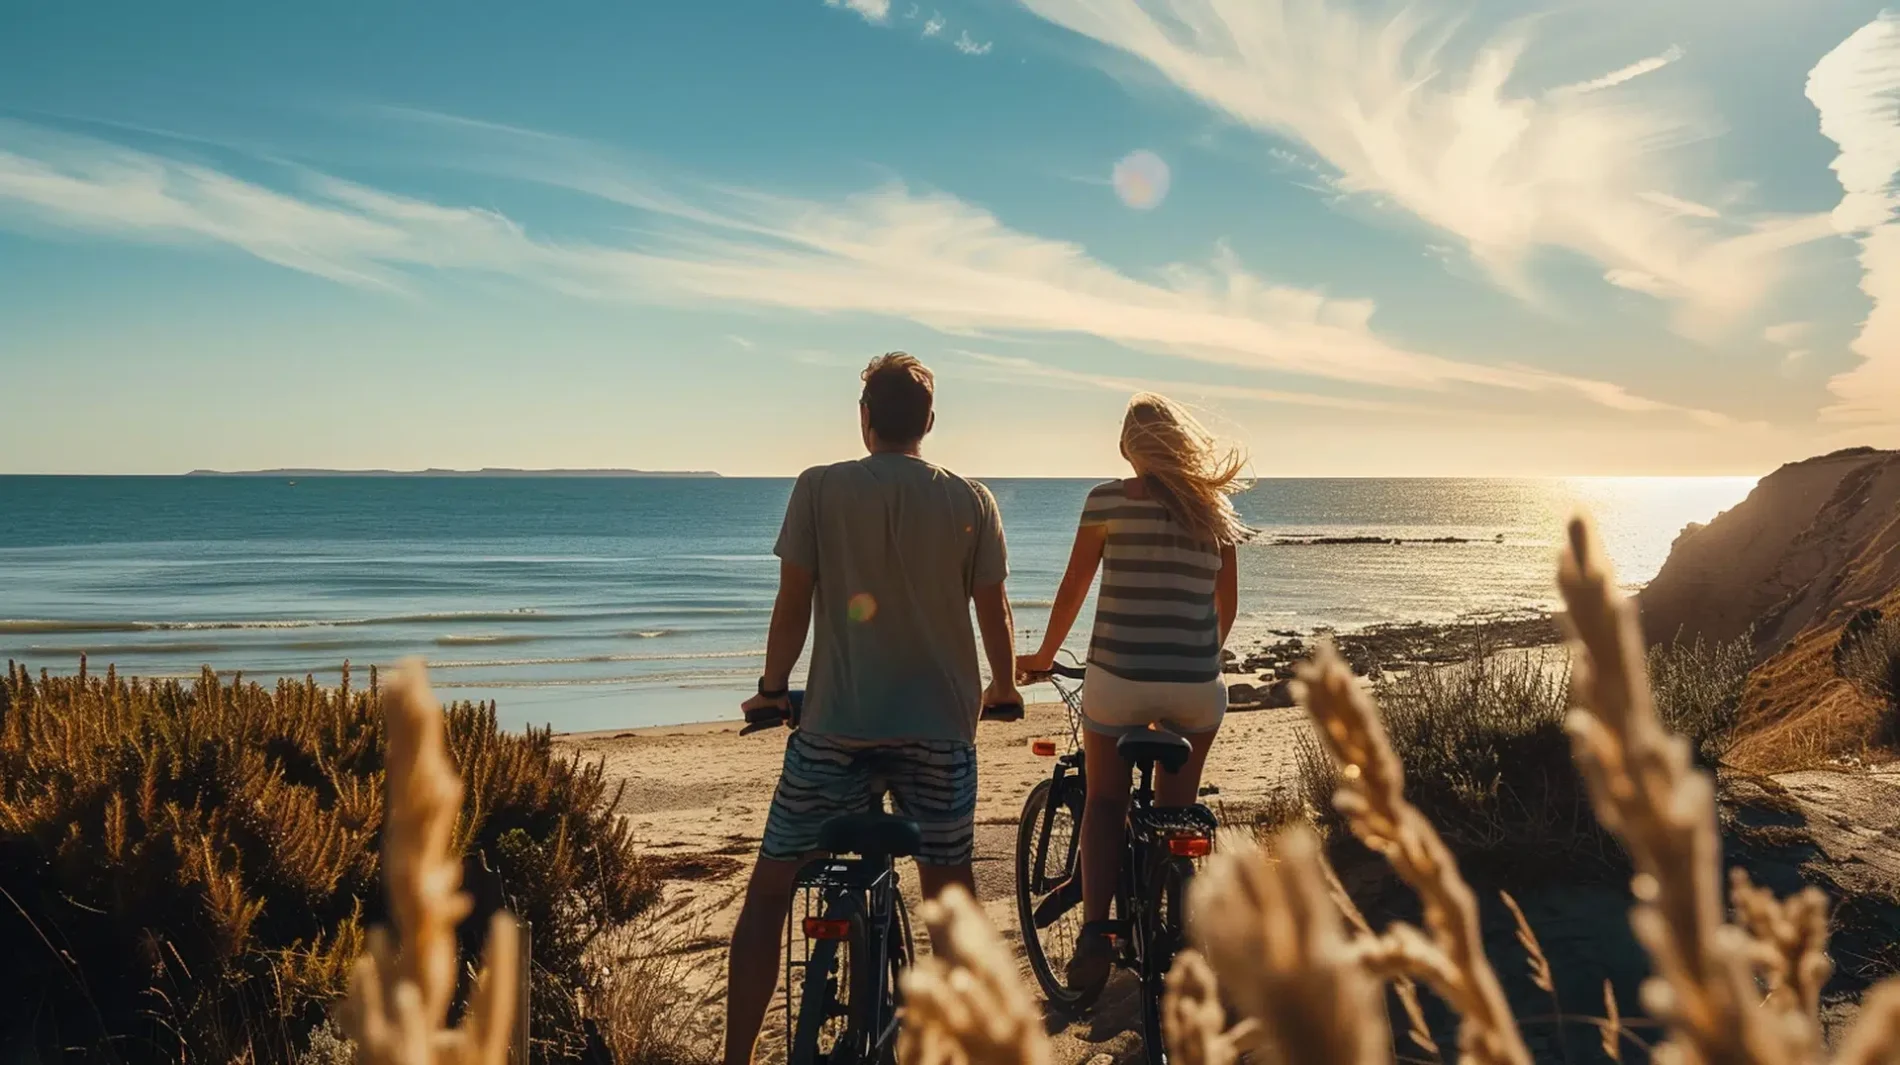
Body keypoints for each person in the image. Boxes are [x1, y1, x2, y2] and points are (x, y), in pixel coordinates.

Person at [721, 352, 1022, 1065]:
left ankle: (734, 1058)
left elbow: (794, 603)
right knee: (951, 900)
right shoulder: (972, 499)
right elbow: (995, 610)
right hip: (939, 733)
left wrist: (772, 686)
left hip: (836, 730)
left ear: (863, 421)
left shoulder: (818, 488)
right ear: (929, 423)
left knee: (769, 893)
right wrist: (1004, 686)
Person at [1015, 392, 1249, 993]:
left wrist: (1042, 658)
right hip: (1197, 689)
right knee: (1176, 810)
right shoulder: (1215, 510)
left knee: (1105, 802)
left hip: (1117, 684)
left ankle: (1096, 932)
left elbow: (1073, 590)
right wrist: (1196, 656)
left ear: (1127, 446)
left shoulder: (1107, 500)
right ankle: (1178, 918)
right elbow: (1228, 607)